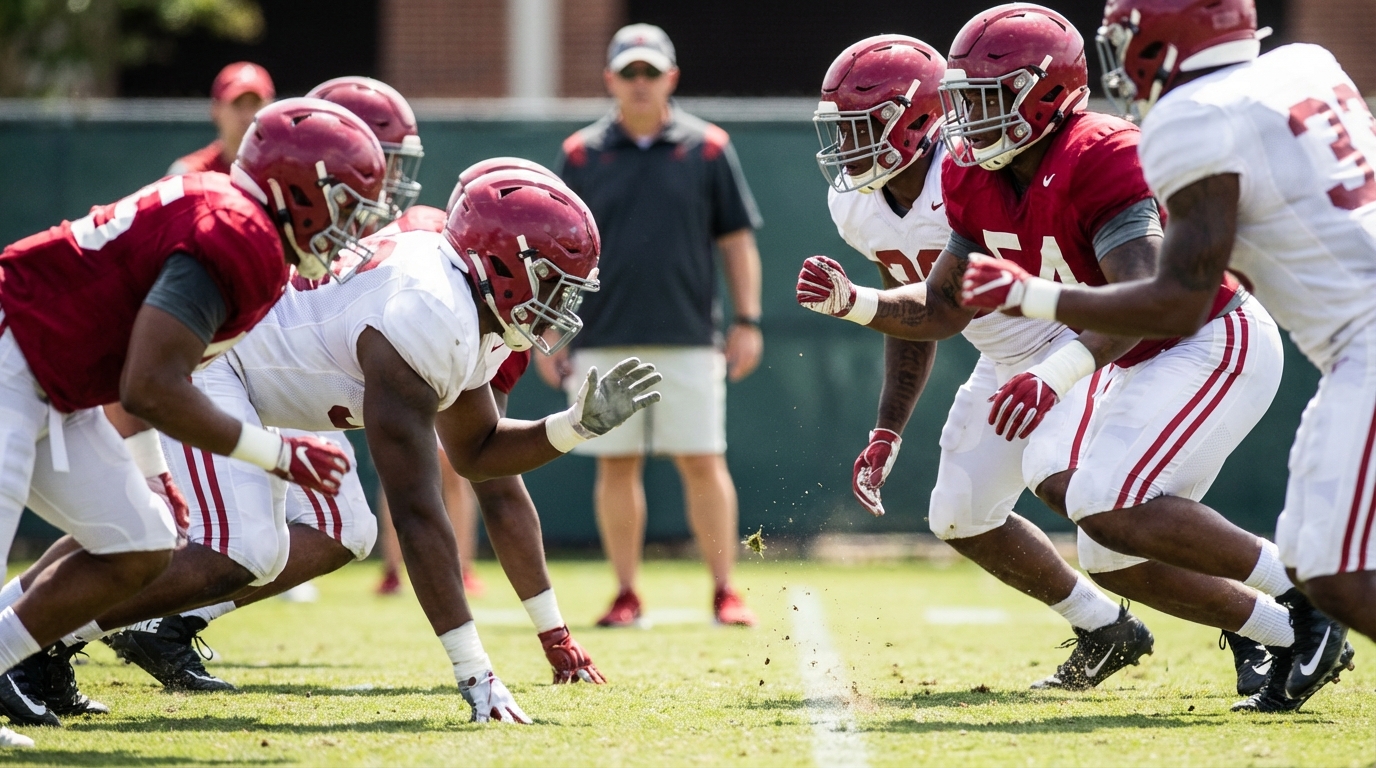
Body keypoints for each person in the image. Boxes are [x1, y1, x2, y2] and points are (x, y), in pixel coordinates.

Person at [799, 4, 1344, 711]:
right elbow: (941, 308)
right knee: (1102, 551)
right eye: (964, 102)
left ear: (1051, 94)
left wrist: (1055, 372)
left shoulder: (1102, 152)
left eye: (989, 100)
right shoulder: (968, 175)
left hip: (1202, 338)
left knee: (1090, 495)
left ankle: (1309, 597)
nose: (968, 123)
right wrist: (855, 304)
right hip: (1120, 355)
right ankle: (1276, 627)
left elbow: (1151, 298)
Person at [17, 168, 652, 724]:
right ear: (504, 264)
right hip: (229, 360)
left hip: (279, 382)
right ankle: (36, 637)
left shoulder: (467, 304)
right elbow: (417, 509)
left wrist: (574, 426)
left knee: (344, 526)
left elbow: (477, 453)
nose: (560, 303)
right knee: (241, 546)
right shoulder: (431, 311)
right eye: (552, 280)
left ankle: (83, 625)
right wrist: (475, 672)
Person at [962, 0, 1369, 711]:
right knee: (1113, 545)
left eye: (1124, 38)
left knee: (1326, 575)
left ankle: (1298, 620)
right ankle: (1282, 626)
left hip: (1250, 336)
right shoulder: (1305, 63)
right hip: (1302, 345)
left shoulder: (1174, 124)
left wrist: (1034, 299)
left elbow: (1175, 299)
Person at [0, 96, 384, 743]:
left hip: (58, 381)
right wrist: (279, 456)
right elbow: (151, 382)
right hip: (16, 357)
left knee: (140, 541)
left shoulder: (239, 220)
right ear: (297, 190)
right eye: (343, 201)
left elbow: (138, 360)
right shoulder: (237, 232)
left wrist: (153, 470)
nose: (350, 224)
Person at [807, 32, 1148, 690]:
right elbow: (918, 316)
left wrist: (860, 302)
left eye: (861, 128)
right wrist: (887, 429)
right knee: (959, 516)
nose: (846, 148)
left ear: (917, 118)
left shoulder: (968, 168)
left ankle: (1261, 620)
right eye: (840, 130)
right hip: (999, 354)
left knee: (1098, 506)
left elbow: (938, 298)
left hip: (1074, 338)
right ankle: (1107, 629)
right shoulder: (854, 204)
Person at [543, 23, 765, 627]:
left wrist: (747, 320)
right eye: (629, 72)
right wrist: (550, 333)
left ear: (670, 76)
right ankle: (625, 593)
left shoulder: (710, 148)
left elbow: (737, 242)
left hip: (691, 337)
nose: (639, 83)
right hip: (601, 337)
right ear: (611, 79)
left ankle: (726, 591)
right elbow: (556, 250)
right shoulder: (580, 154)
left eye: (650, 71)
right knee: (617, 465)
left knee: (702, 459)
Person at [168, 62, 276, 176]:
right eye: (237, 104)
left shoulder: (287, 171)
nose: (246, 115)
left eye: (254, 104)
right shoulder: (189, 174)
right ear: (216, 110)